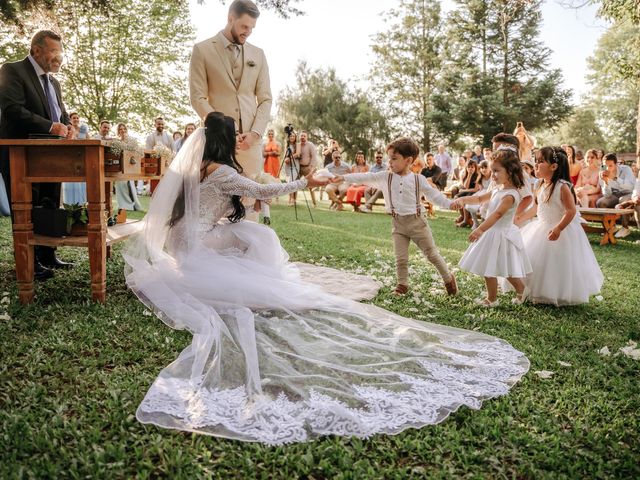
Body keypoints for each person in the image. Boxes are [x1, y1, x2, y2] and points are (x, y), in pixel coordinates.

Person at [123, 112, 529, 444]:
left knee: (253, 234)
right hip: (195, 245)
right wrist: (307, 180)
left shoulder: (197, 166)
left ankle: (241, 267)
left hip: (180, 240)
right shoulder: (224, 172)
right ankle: (258, 279)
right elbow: (264, 192)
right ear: (224, 139)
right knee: (259, 236)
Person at [333, 137, 459, 297]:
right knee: (401, 258)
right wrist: (344, 177)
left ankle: (448, 279)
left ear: (408, 160)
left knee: (431, 254)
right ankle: (402, 284)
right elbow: (366, 177)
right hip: (398, 223)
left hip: (417, 223)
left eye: (394, 158)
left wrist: (450, 204)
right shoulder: (386, 177)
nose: (390, 162)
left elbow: (434, 196)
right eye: (389, 158)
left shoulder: (418, 179)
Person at [0, 30, 74, 279]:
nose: (58, 58)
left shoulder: (54, 82)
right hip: (21, 154)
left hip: (51, 155)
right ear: (36, 50)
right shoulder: (12, 70)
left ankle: (47, 254)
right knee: (26, 207)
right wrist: (50, 126)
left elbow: (60, 114)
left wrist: (67, 126)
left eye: (60, 52)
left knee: (50, 203)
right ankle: (28, 263)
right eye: (54, 52)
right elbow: (12, 109)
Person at [189, 0, 271, 221]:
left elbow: (265, 100)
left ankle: (245, 254)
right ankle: (214, 253)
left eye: (252, 28)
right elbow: (197, 97)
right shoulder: (203, 50)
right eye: (244, 27)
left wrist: (255, 134)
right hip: (216, 145)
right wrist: (223, 131)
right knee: (216, 204)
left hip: (250, 143)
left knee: (249, 205)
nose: (248, 33)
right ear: (230, 18)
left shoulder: (259, 54)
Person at [519, 147, 603, 305]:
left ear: (554, 166)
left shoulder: (562, 186)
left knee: (557, 262)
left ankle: (557, 292)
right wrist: (519, 218)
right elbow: (536, 208)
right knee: (536, 260)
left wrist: (558, 228)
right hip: (541, 226)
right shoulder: (539, 185)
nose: (536, 165)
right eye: (535, 161)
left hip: (560, 228)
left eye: (540, 161)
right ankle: (533, 289)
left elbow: (571, 211)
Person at [452, 149, 532, 307]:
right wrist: (463, 200)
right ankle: (510, 292)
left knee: (499, 268)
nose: (492, 175)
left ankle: (497, 297)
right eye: (492, 170)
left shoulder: (511, 195)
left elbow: (497, 215)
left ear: (509, 171)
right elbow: (480, 198)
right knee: (494, 267)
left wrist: (480, 229)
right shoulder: (497, 189)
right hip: (492, 233)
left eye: (496, 171)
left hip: (500, 234)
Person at [597, 153, 636, 238]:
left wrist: (615, 178)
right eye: (605, 165)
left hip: (628, 193)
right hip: (615, 194)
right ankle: (610, 227)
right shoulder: (602, 171)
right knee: (601, 202)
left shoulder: (626, 169)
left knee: (622, 199)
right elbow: (607, 195)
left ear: (616, 164)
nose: (607, 168)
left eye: (610, 166)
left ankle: (625, 228)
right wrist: (606, 182)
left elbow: (630, 187)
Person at [114, 123, 143, 211]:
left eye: (124, 129)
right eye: (120, 129)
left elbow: (136, 153)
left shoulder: (131, 142)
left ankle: (131, 205)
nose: (122, 131)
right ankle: (123, 205)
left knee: (128, 186)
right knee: (120, 186)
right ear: (118, 131)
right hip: (118, 167)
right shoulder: (116, 142)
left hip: (128, 167)